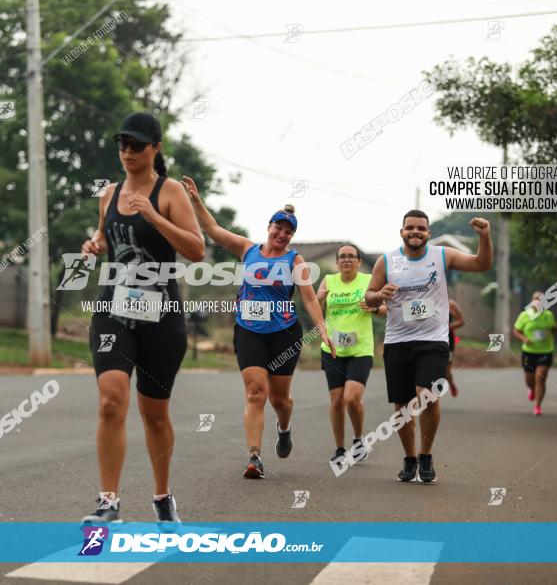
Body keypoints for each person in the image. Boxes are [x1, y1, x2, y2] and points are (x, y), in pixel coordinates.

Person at [79, 112, 205, 525]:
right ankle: (108, 501)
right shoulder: (109, 193)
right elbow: (104, 232)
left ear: (156, 148)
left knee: (153, 413)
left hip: (161, 315)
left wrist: (152, 215)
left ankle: (163, 496)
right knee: (111, 400)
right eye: (122, 145)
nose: (128, 152)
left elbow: (197, 250)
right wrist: (94, 243)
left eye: (136, 145)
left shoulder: (169, 192)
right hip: (114, 310)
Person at [184, 177, 335, 479]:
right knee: (256, 393)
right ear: (269, 227)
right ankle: (254, 457)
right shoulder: (247, 249)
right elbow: (213, 230)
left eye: (288, 231)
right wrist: (196, 201)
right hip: (249, 330)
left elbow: (308, 297)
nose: (282, 234)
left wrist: (322, 330)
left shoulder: (296, 260)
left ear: (292, 236)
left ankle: (284, 427)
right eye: (278, 227)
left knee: (280, 400)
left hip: (283, 334)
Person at [365, 210, 492, 483]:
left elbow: (482, 264)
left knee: (428, 396)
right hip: (398, 340)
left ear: (428, 233)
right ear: (402, 232)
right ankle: (410, 459)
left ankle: (426, 455)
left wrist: (484, 236)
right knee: (402, 405)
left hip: (434, 339)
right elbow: (370, 298)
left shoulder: (441, 255)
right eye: (410, 228)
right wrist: (379, 294)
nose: (415, 232)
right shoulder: (386, 261)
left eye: (421, 228)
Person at [316, 243, 386, 466]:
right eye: (342, 257)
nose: (346, 260)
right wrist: (319, 298)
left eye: (351, 256)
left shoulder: (367, 281)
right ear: (337, 262)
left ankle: (358, 440)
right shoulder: (329, 281)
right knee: (336, 401)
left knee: (351, 399)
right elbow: (313, 307)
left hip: (360, 350)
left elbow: (386, 309)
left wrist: (374, 308)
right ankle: (339, 448)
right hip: (332, 349)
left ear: (358, 261)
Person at [513, 291, 557, 416]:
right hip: (528, 352)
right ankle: (532, 389)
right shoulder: (524, 315)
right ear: (532, 301)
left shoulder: (548, 315)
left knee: (540, 377)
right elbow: (516, 331)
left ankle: (537, 406)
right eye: (536, 299)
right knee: (529, 380)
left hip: (545, 351)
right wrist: (524, 339)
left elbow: (553, 331)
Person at [446, 299, 465, 397]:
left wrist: (447, 326)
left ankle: (451, 383)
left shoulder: (450, 304)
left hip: (447, 342)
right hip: (428, 340)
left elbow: (461, 321)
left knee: (446, 372)